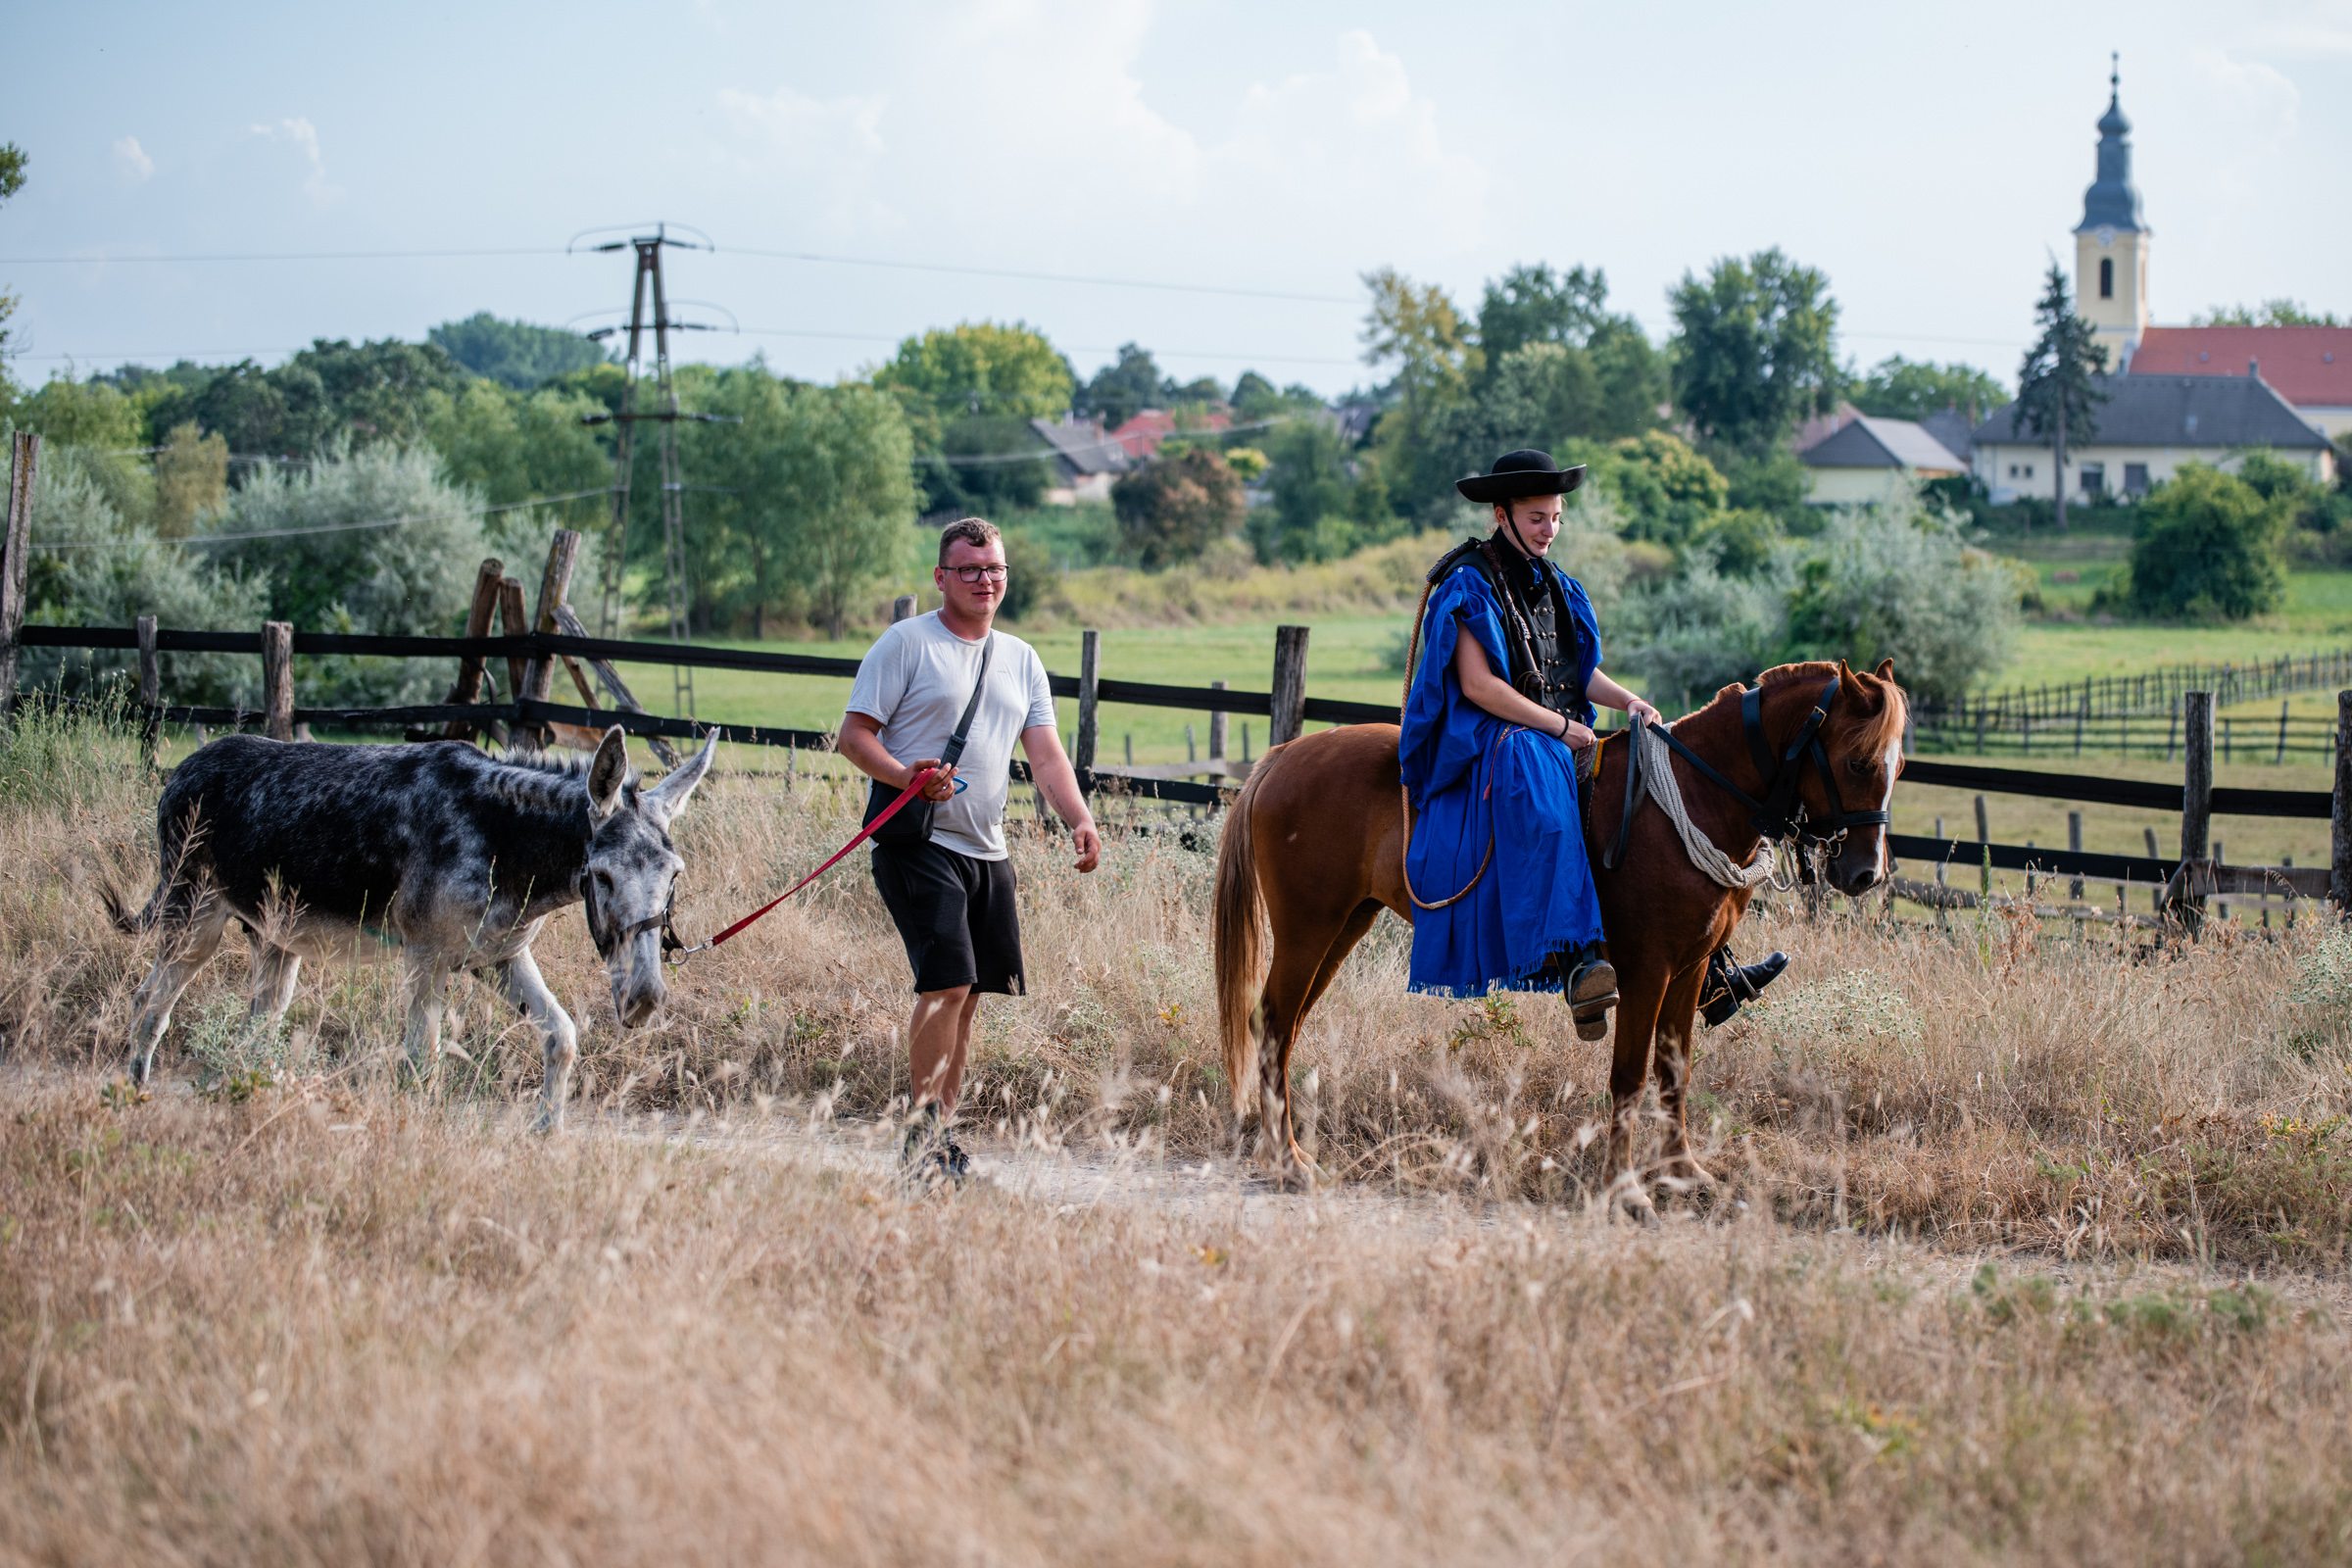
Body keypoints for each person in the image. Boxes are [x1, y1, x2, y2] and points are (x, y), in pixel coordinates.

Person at [1397, 449, 1786, 1038]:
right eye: (1536, 518)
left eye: (1556, 516)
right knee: (1545, 780)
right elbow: (1477, 686)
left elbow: (1580, 676)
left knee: (1643, 792)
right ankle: (1578, 958)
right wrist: (1557, 727)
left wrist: (1627, 699)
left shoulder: (1557, 585)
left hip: (1557, 725)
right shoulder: (1467, 584)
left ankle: (1708, 971)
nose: (1549, 529)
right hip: (1493, 731)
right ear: (1501, 516)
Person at [840, 516, 1102, 1183]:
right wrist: (905, 776)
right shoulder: (906, 645)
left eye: (995, 570)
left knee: (971, 994)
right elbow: (854, 736)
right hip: (917, 841)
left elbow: (1045, 756)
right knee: (947, 982)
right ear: (941, 577)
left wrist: (1078, 816)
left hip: (988, 849)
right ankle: (921, 1134)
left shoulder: (1021, 658)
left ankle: (941, 1132)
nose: (985, 581)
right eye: (970, 569)